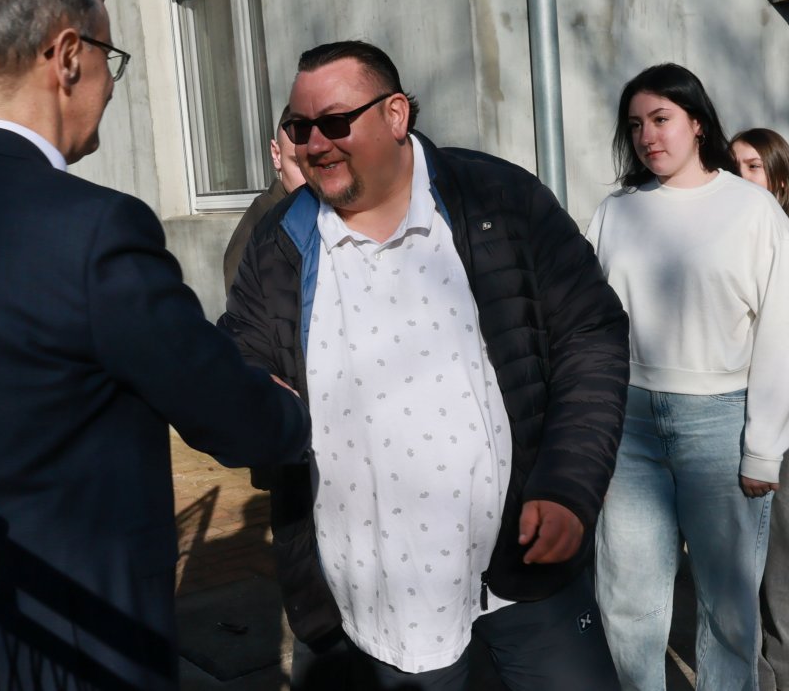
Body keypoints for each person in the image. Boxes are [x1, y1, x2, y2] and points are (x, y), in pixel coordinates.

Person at [0, 0, 310, 689]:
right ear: (66, 57)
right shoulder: (95, 231)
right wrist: (295, 411)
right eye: (109, 56)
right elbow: (225, 409)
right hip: (72, 650)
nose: (112, 84)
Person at [220, 40, 630, 691]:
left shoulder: (497, 199)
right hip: (377, 605)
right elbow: (240, 363)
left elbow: (590, 333)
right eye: (299, 128)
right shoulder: (277, 245)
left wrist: (569, 482)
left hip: (527, 567)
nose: (314, 144)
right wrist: (244, 398)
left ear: (395, 114)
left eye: (335, 122)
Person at [587, 65, 789, 691]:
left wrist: (764, 448)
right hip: (628, 424)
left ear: (697, 124)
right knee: (627, 603)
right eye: (635, 125)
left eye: (661, 119)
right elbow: (588, 322)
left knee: (728, 609)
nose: (647, 136)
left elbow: (785, 331)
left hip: (720, 422)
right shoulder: (616, 211)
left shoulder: (752, 210)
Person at [731, 128, 789, 691]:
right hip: (736, 418)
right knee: (739, 557)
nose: (740, 177)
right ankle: (754, 675)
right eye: (733, 166)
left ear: (781, 179)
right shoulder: (726, 238)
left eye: (753, 166)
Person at [222, 105, 306, 293]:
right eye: (299, 163)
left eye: (318, 162)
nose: (311, 176)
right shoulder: (259, 231)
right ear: (276, 155)